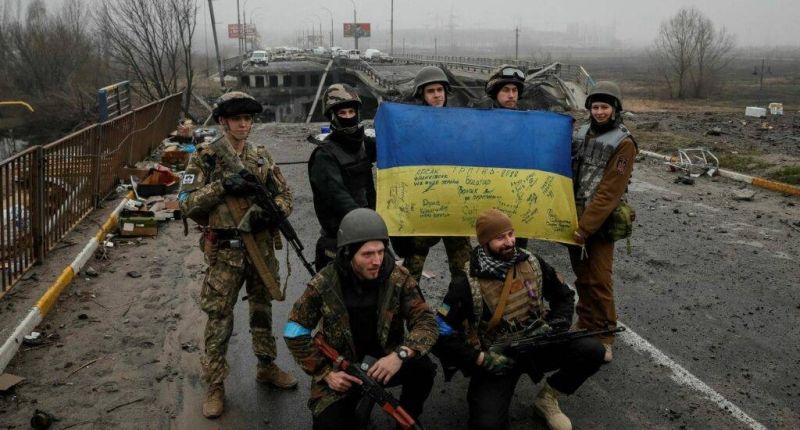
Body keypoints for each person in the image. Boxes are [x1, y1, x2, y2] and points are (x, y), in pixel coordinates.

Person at [179, 91, 297, 419]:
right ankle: (215, 385)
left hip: (259, 247)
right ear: (223, 121)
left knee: (262, 310)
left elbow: (285, 195)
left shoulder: (261, 156)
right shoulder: (206, 157)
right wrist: (222, 187)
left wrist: (269, 213)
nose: (243, 125)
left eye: (248, 119)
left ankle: (266, 365)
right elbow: (185, 202)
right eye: (236, 119)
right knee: (219, 319)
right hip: (226, 253)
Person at [433, 208, 605, 430]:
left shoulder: (532, 262)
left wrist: (557, 325)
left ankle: (548, 398)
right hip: (500, 359)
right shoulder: (466, 283)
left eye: (511, 234)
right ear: (484, 242)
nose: (509, 242)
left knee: (592, 350)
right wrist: (480, 359)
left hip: (539, 345)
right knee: (486, 424)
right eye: (500, 238)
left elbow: (564, 296)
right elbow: (441, 332)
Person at [284, 208, 439, 430]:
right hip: (343, 369)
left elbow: (425, 321)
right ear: (348, 253)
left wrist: (400, 354)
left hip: (385, 362)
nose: (377, 261)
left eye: (381, 251)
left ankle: (406, 419)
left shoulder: (397, 278)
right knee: (328, 425)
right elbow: (294, 329)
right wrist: (325, 373)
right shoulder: (324, 283)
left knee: (423, 369)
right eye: (367, 254)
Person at [569, 81, 637, 363]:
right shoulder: (580, 132)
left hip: (600, 222)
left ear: (615, 109)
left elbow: (610, 191)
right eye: (595, 107)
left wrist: (585, 228)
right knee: (582, 277)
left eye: (604, 107)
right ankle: (585, 321)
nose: (599, 112)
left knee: (599, 280)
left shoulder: (624, 143)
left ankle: (606, 335)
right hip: (574, 216)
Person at [389, 66, 472, 285]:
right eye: (431, 91)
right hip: (424, 206)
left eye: (440, 90)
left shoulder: (459, 123)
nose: (437, 95)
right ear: (422, 95)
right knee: (412, 269)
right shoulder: (411, 126)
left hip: (454, 205)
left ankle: (461, 306)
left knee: (464, 270)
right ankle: (404, 306)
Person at [308, 83, 377, 271]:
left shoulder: (363, 144)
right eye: (342, 113)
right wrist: (366, 223)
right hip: (340, 238)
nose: (348, 117)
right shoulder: (324, 155)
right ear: (332, 116)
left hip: (368, 232)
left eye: (351, 112)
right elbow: (337, 196)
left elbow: (394, 152)